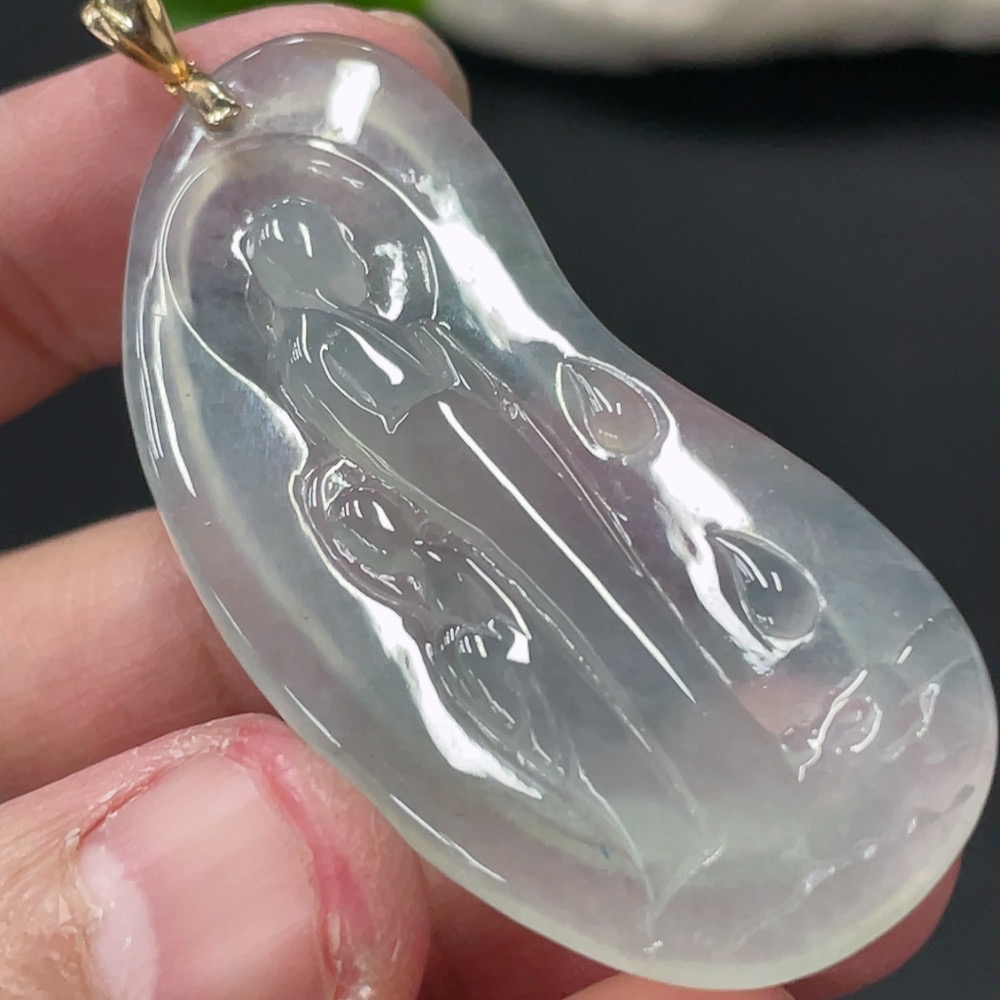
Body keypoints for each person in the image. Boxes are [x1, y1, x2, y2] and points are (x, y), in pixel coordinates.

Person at [0, 6, 957, 998]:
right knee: (619, 644)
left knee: (660, 621)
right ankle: (710, 800)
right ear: (289, 275)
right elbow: (425, 440)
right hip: (507, 523)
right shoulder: (334, 352)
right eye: (321, 247)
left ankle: (754, 767)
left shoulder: (376, 329)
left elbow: (463, 372)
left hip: (532, 490)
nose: (348, 256)